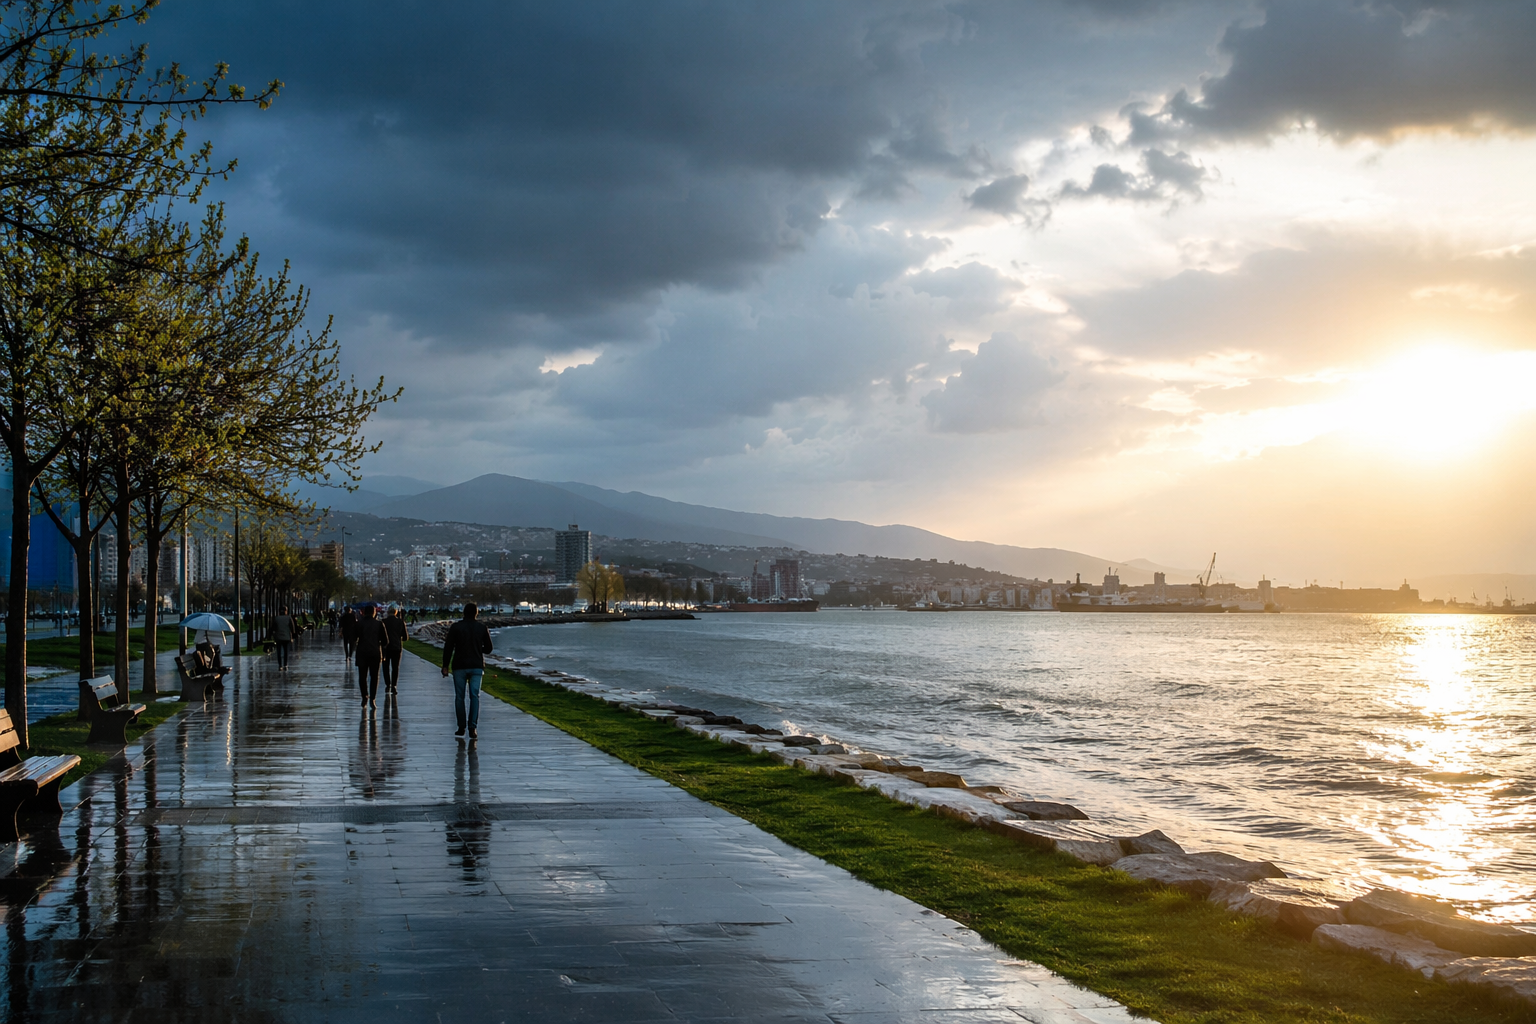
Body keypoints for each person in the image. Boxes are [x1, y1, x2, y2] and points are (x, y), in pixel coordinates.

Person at [441, 602, 493, 739]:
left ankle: (461, 727)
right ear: (476, 613)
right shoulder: (482, 628)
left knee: (459, 697)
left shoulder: (456, 627)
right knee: (475, 696)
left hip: (459, 665)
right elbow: (488, 649)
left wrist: (445, 665)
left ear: (464, 613)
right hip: (476, 665)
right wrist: (477, 649)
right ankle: (473, 728)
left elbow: (448, 647)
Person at [353, 604, 386, 709]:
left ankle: (364, 697)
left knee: (362, 677)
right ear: (374, 612)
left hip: (362, 652)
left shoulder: (359, 624)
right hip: (375, 653)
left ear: (363, 612)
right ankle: (373, 698)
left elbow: (353, 638)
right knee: (374, 677)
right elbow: (386, 641)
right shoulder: (379, 624)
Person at [382, 604, 407, 691]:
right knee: (395, 667)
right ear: (396, 612)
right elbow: (405, 637)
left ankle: (387, 684)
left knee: (385, 667)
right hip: (396, 647)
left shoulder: (383, 622)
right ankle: (394, 685)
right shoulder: (400, 622)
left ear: (388, 612)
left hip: (385, 647)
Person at [271, 605, 298, 670]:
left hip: (278, 637)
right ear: (286, 611)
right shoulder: (289, 618)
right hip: (286, 637)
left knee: (279, 651)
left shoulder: (276, 618)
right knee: (286, 651)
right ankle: (285, 665)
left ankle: (280, 665)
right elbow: (292, 628)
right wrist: (293, 636)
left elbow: (273, 628)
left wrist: (273, 635)